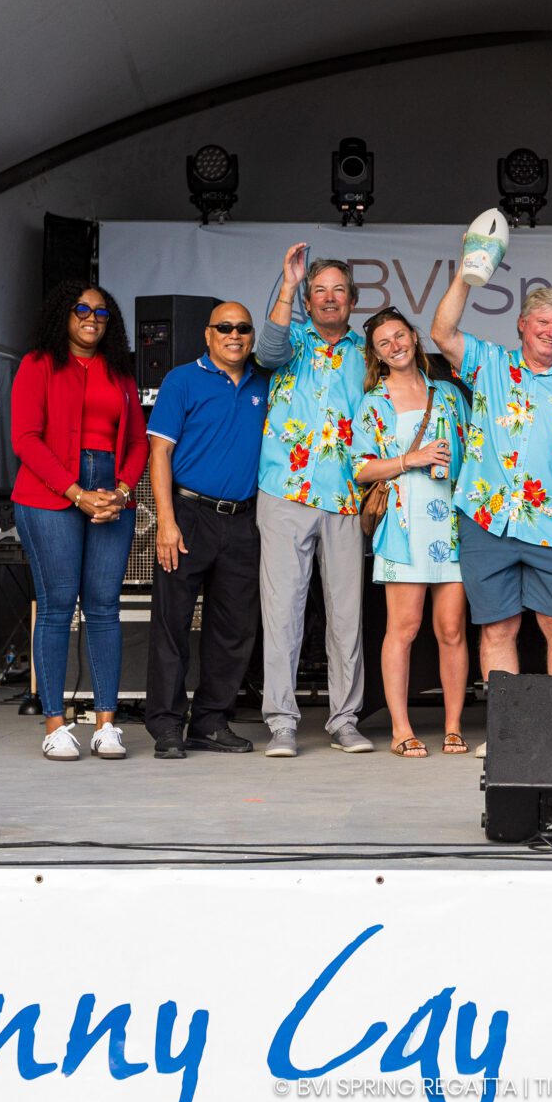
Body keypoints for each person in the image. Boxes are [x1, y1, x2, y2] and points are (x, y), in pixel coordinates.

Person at [429, 245, 552, 757]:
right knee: (498, 627)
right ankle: (508, 735)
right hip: (486, 519)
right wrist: (467, 275)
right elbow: (441, 333)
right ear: (522, 325)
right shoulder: (489, 364)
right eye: (543, 323)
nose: (551, 332)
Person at [9, 280, 147, 761]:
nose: (92, 318)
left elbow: (138, 442)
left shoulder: (119, 371)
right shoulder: (38, 364)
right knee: (57, 605)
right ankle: (54, 724)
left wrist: (121, 492)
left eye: (102, 312)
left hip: (111, 494)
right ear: (63, 315)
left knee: (105, 606)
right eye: (82, 309)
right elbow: (26, 439)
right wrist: (76, 493)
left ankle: (106, 724)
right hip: (49, 494)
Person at [253, 245, 373, 758]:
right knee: (282, 612)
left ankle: (345, 720)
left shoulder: (369, 353)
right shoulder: (290, 339)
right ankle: (282, 722)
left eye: (338, 290)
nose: (328, 298)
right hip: (285, 490)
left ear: (353, 301)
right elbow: (266, 353)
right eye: (319, 290)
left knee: (346, 616)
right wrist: (288, 284)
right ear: (307, 300)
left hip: (346, 495)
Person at [141, 301, 268, 758]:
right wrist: (166, 521)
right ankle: (166, 725)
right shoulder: (182, 380)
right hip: (188, 514)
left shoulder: (264, 382)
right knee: (172, 624)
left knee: (234, 629)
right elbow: (159, 453)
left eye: (243, 328)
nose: (235, 335)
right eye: (225, 327)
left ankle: (211, 722)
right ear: (208, 335)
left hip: (243, 520)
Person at [353, 308, 472, 758]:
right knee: (403, 629)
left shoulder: (448, 394)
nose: (395, 346)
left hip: (450, 525)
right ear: (376, 354)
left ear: (414, 337)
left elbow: (474, 450)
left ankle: (454, 726)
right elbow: (361, 469)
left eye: (399, 336)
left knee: (452, 630)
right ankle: (400, 728)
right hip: (403, 526)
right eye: (384, 343)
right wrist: (410, 460)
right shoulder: (374, 402)